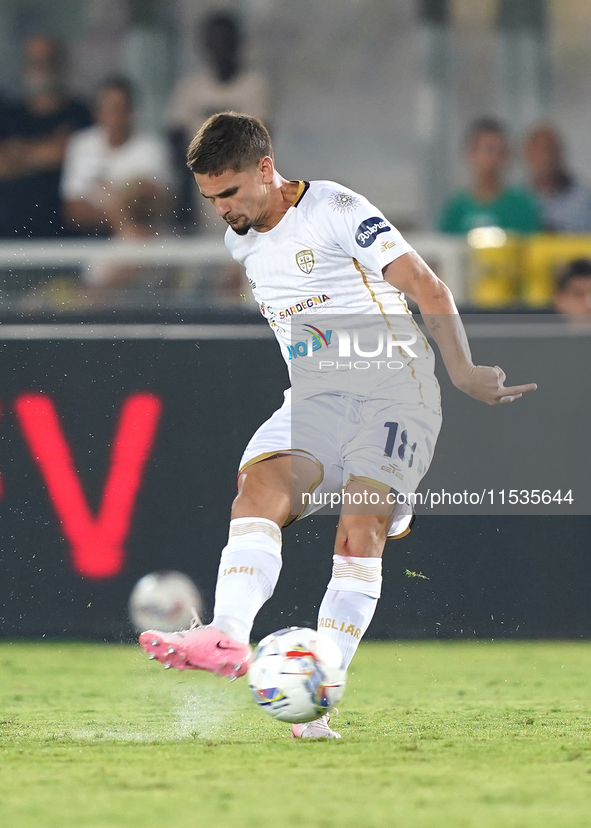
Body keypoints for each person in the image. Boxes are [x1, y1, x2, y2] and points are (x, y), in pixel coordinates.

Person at [139, 113, 537, 738]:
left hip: (394, 389)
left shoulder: (335, 207)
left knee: (359, 533)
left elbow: (427, 285)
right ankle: (225, 637)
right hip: (317, 397)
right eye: (210, 197)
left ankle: (316, 707)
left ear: (266, 170)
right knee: (258, 493)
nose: (221, 209)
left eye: (231, 192)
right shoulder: (240, 239)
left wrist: (460, 371)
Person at [166, 11, 270, 231]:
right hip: (196, 186)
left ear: (237, 43)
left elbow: (261, 142)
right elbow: (175, 139)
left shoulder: (253, 88)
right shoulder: (189, 89)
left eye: (226, 41)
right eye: (215, 41)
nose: (220, 48)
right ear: (205, 46)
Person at [0, 34, 92, 238]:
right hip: (10, 239)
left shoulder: (80, 113)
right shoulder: (7, 113)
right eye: (34, 61)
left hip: (65, 239)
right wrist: (48, 151)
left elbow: (80, 157)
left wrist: (19, 153)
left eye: (48, 61)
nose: (41, 67)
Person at [61, 77, 173, 237]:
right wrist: (121, 211)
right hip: (96, 241)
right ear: (97, 112)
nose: (115, 116)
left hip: (149, 240)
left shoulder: (153, 148)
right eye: (109, 108)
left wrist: (108, 202)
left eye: (120, 108)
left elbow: (154, 207)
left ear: (132, 111)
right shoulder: (82, 145)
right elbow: (74, 212)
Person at [438, 117, 542, 235]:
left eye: (501, 151)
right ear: (470, 153)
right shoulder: (456, 209)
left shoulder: (522, 207)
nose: (495, 158)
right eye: (489, 150)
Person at [524, 124, 591, 233]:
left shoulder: (585, 198)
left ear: (560, 152)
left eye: (550, 149)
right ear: (528, 154)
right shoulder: (521, 197)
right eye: (539, 150)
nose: (546, 157)